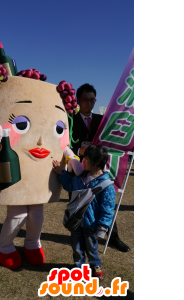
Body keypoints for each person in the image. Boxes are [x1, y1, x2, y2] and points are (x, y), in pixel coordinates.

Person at [69, 83, 130, 252]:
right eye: (85, 99)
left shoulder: (101, 120)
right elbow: (62, 143)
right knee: (77, 206)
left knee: (105, 203)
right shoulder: (69, 120)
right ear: (78, 100)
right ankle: (78, 237)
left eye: (92, 100)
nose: (89, 103)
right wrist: (79, 150)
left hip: (98, 171)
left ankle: (113, 237)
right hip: (77, 170)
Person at [52, 145, 116, 280]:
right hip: (76, 221)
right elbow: (69, 186)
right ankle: (79, 268)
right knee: (76, 247)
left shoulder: (106, 185)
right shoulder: (80, 177)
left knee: (92, 248)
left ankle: (95, 266)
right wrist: (61, 173)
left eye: (86, 158)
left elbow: (107, 209)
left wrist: (102, 228)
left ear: (97, 161)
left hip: (91, 225)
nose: (83, 161)